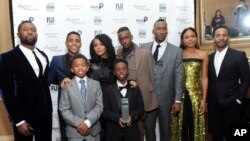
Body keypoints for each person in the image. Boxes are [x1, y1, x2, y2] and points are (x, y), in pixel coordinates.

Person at [0, 21, 52, 141]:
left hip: (45, 114)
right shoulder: (8, 57)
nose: (30, 32)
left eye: (33, 30)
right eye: (25, 29)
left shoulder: (43, 56)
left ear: (36, 34)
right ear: (18, 34)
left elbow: (42, 83)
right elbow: (6, 92)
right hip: (23, 115)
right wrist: (18, 120)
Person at [140, 19, 184, 141]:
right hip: (148, 99)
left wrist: (178, 100)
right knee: (148, 129)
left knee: (166, 130)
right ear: (153, 30)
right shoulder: (143, 47)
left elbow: (179, 75)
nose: (162, 31)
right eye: (159, 28)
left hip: (167, 98)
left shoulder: (176, 51)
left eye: (164, 29)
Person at [207, 25, 250, 141]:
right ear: (213, 38)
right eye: (218, 35)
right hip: (213, 105)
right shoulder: (208, 58)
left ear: (228, 37)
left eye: (224, 35)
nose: (221, 38)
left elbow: (246, 80)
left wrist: (238, 99)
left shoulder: (239, 55)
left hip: (232, 105)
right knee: (216, 135)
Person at [117, 26, 159, 141]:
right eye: (121, 39)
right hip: (132, 103)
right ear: (119, 40)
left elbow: (152, 76)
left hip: (148, 100)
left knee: (150, 132)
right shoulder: (119, 56)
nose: (124, 40)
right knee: (137, 134)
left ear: (131, 37)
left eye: (127, 37)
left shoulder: (145, 54)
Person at [171, 27, 208, 141]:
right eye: (186, 37)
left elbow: (204, 77)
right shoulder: (178, 54)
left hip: (196, 97)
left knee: (195, 127)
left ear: (196, 38)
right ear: (182, 40)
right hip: (179, 96)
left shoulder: (203, 54)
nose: (190, 39)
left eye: (192, 36)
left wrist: (204, 100)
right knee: (180, 127)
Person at [59, 53, 103, 141]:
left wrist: (87, 123)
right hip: (74, 133)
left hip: (93, 132)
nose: (80, 68)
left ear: (87, 67)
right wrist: (80, 124)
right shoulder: (67, 85)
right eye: (76, 66)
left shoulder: (96, 84)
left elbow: (99, 107)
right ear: (72, 69)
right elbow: (64, 110)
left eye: (83, 65)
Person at [48, 31, 82, 141]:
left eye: (77, 41)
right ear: (66, 43)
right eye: (71, 40)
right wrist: (62, 82)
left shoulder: (86, 61)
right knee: (65, 136)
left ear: (80, 44)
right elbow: (49, 80)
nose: (74, 43)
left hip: (83, 106)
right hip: (64, 107)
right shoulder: (56, 60)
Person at [102, 58, 144, 141]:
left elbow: (140, 109)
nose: (121, 71)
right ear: (114, 72)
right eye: (118, 69)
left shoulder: (135, 88)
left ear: (128, 71)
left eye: (124, 69)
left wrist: (131, 117)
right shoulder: (107, 90)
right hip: (114, 132)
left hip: (132, 132)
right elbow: (104, 111)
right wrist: (118, 118)